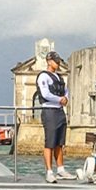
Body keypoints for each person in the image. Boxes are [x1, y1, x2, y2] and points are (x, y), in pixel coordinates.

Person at [36, 50, 75, 182]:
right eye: (55, 61)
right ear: (49, 61)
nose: (58, 64)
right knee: (50, 142)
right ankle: (49, 171)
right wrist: (60, 99)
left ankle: (61, 169)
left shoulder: (59, 77)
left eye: (58, 61)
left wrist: (65, 99)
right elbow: (45, 94)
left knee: (59, 142)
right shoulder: (43, 76)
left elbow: (66, 91)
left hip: (59, 111)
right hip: (49, 111)